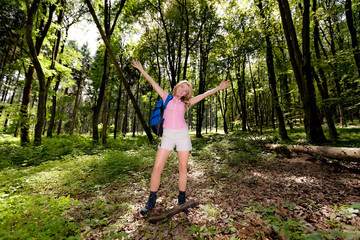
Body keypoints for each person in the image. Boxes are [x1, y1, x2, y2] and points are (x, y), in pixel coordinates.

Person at [131, 59, 230, 215]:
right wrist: (141, 69)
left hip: (183, 135)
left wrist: (219, 87)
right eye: (182, 87)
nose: (183, 91)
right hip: (168, 136)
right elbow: (152, 82)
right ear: (177, 87)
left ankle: (181, 201)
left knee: (183, 169)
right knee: (157, 168)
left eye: (186, 90)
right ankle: (150, 203)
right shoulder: (166, 97)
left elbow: (204, 95)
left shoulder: (187, 103)